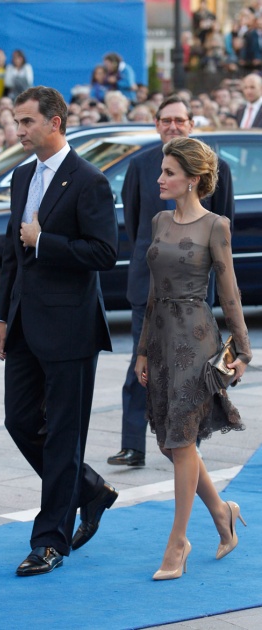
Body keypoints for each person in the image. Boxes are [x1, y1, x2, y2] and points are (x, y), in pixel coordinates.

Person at [0, 86, 119, 576]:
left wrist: (46, 241)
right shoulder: (22, 176)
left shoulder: (89, 181)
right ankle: (89, 490)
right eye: (16, 122)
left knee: (65, 436)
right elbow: (12, 260)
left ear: (55, 122)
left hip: (70, 328)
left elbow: (104, 254)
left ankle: (50, 542)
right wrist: (2, 319)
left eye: (25, 122)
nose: (18, 130)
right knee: (20, 421)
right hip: (23, 324)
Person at [135, 137, 251, 580]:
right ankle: (222, 511)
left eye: (169, 172)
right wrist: (142, 349)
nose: (160, 178)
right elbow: (151, 291)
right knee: (172, 442)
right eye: (162, 170)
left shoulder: (215, 226)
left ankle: (178, 542)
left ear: (193, 180)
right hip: (162, 340)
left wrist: (243, 349)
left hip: (196, 340)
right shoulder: (160, 220)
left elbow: (229, 291)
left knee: (182, 441)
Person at [107, 95, 235, 469]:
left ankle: (190, 437)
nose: (173, 126)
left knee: (192, 368)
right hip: (147, 286)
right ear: (157, 124)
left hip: (194, 291)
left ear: (192, 124)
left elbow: (222, 225)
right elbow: (134, 225)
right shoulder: (140, 165)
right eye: (166, 120)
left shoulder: (217, 169)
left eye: (180, 120)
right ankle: (133, 444)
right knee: (140, 363)